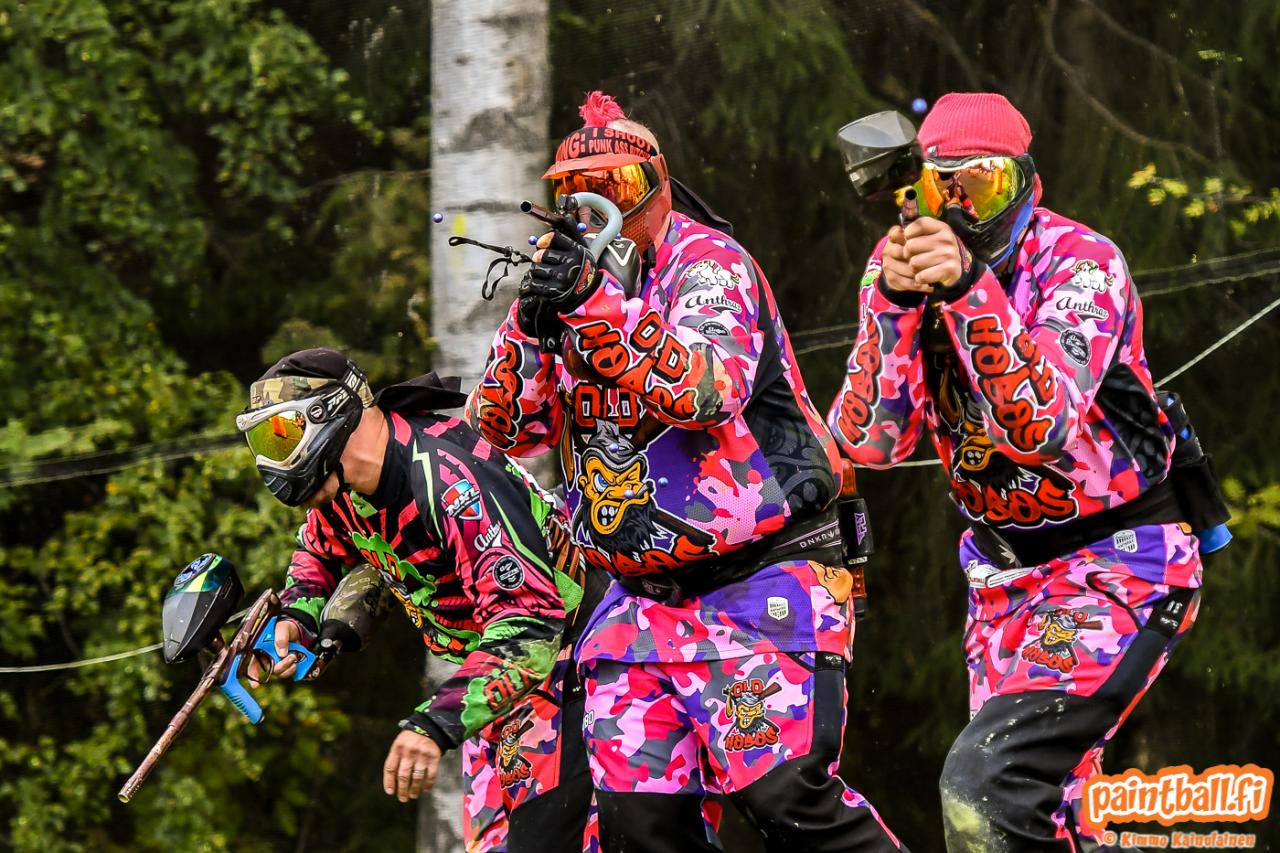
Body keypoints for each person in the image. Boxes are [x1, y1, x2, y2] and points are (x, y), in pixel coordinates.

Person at [468, 91, 905, 852]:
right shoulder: (566, 289)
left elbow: (707, 391)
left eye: (618, 188)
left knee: (788, 803)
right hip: (638, 611)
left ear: (659, 188)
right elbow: (504, 428)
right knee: (642, 831)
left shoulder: (708, 266)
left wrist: (595, 306)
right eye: (577, 192)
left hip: (760, 584)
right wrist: (529, 331)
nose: (598, 209)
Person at [827, 92, 1202, 851]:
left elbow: (1041, 429)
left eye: (983, 183)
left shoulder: (1081, 263)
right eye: (945, 186)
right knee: (1052, 811)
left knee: (987, 786)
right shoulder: (899, 269)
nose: (963, 208)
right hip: (1003, 576)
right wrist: (893, 305)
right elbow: (870, 442)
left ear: (1027, 180)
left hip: (1117, 561)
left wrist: (968, 291)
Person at [236, 347, 607, 853]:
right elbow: (318, 553)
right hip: (494, 685)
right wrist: (297, 616)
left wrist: (434, 725)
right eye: (261, 442)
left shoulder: (448, 482)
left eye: (281, 436)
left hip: (570, 667)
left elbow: (531, 625)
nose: (271, 461)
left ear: (330, 414)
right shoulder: (345, 487)